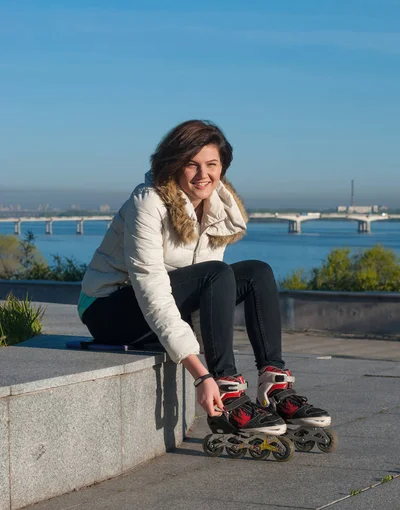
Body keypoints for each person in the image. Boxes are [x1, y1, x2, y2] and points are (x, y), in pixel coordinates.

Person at [78, 120, 330, 436]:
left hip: (165, 306)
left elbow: (211, 291)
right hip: (109, 309)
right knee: (217, 272)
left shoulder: (218, 207)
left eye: (212, 164)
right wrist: (202, 374)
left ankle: (274, 386)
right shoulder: (148, 203)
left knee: (257, 273)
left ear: (222, 167)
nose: (203, 175)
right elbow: (151, 288)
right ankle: (228, 391)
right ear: (173, 166)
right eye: (192, 165)